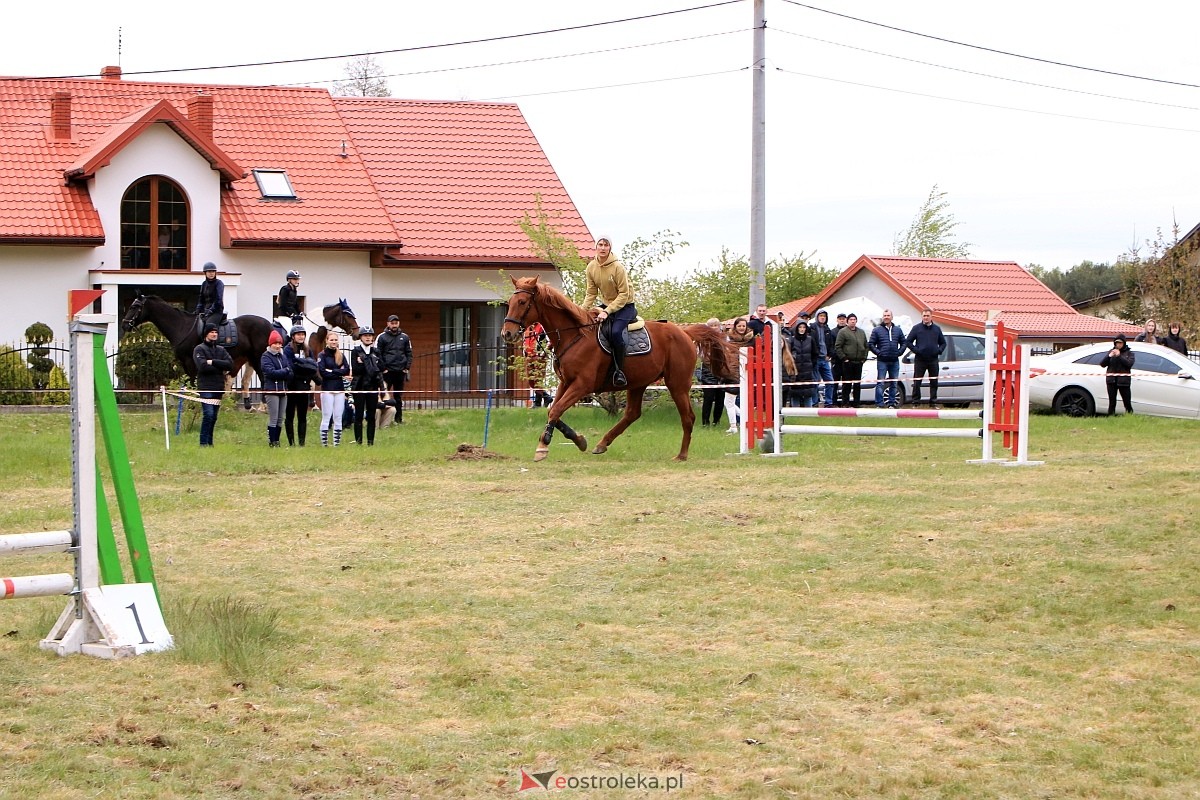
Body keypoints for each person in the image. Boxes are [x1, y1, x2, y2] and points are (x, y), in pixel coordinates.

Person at [582, 236, 637, 387]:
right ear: (596, 247)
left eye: (606, 245)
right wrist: (581, 311)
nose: (603, 248)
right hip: (607, 305)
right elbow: (591, 293)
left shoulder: (618, 267)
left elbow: (624, 294)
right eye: (600, 244)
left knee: (615, 332)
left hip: (625, 306)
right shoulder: (591, 267)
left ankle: (619, 371)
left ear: (610, 248)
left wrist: (607, 311)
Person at [193, 323, 232, 447]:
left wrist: (213, 362)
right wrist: (220, 367)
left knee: (214, 416)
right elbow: (202, 367)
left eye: (216, 332)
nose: (214, 334)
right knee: (208, 415)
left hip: (218, 387)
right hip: (206, 387)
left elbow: (230, 364)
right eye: (212, 332)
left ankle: (210, 442)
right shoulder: (199, 349)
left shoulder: (221, 349)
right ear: (206, 334)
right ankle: (203, 442)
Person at [904, 308, 947, 407]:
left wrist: (938, 351)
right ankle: (915, 402)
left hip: (933, 360)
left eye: (927, 316)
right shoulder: (916, 328)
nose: (926, 318)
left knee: (934, 382)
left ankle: (933, 402)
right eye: (924, 316)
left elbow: (943, 343)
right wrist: (917, 351)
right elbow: (908, 341)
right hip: (920, 360)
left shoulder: (937, 329)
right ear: (922, 317)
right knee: (917, 381)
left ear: (931, 317)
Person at [283, 325, 318, 446]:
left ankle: (302, 443)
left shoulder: (308, 349)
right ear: (293, 336)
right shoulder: (288, 349)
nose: (301, 336)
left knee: (302, 416)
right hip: (291, 386)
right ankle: (291, 442)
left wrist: (301, 363)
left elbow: (313, 366)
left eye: (303, 334)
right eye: (298, 334)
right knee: (290, 416)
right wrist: (305, 365)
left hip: (304, 386)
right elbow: (291, 366)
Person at [350, 327, 384, 446]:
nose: (368, 337)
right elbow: (356, 369)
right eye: (365, 335)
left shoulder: (376, 351)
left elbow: (381, 367)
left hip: (372, 387)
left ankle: (370, 442)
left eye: (370, 335)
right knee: (359, 416)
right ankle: (359, 442)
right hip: (359, 387)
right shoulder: (355, 351)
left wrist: (364, 361)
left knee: (371, 415)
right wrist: (370, 363)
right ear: (360, 337)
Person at [376, 314, 412, 422]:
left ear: (399, 323)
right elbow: (378, 354)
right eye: (392, 323)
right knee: (383, 394)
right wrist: (383, 369)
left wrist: (407, 367)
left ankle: (398, 419)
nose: (394, 325)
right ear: (388, 324)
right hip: (387, 372)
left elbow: (409, 353)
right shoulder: (381, 337)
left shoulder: (405, 337)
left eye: (396, 323)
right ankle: (382, 418)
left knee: (398, 397)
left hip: (400, 371)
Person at [259, 330, 292, 447]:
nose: (278, 346)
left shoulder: (283, 356)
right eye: (275, 343)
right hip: (272, 390)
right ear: (270, 344)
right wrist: (285, 371)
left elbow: (290, 372)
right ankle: (272, 441)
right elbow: (270, 373)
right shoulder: (265, 357)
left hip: (283, 390)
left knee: (280, 418)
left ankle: (277, 440)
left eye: (279, 343)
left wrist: (285, 372)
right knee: (273, 417)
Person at [317, 332, 350, 446]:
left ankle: (336, 444)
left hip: (339, 390)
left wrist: (333, 371)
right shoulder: (322, 355)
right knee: (326, 416)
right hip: (327, 389)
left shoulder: (340, 355)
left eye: (335, 340)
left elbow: (346, 369)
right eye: (331, 340)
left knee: (338, 417)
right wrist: (338, 372)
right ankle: (324, 444)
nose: (334, 342)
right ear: (327, 341)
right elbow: (323, 372)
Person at [868, 309, 906, 408]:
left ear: (892, 317)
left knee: (894, 383)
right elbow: (871, 344)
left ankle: (891, 403)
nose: (886, 317)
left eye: (888, 315)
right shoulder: (876, 330)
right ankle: (879, 404)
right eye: (884, 315)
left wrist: (899, 352)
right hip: (882, 361)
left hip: (894, 361)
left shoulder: (898, 330)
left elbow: (904, 342)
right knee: (880, 383)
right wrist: (879, 353)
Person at [834, 313, 869, 407]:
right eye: (851, 319)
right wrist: (844, 358)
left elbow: (866, 345)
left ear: (856, 321)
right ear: (847, 321)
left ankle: (856, 403)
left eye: (854, 319)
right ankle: (845, 403)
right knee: (847, 384)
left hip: (859, 362)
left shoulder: (861, 332)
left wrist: (864, 358)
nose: (853, 321)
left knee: (857, 384)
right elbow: (838, 346)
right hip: (848, 362)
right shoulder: (843, 332)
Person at [698, 318, 726, 426]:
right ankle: (705, 422)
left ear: (720, 326)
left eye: (716, 325)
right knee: (708, 398)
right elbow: (700, 354)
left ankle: (716, 421)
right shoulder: (703, 339)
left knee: (720, 398)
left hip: (722, 370)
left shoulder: (725, 338)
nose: (714, 327)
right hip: (708, 370)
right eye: (711, 325)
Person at [725, 317, 751, 432]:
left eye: (743, 326)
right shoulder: (729, 340)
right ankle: (744, 419)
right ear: (735, 327)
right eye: (739, 326)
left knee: (729, 402)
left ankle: (734, 426)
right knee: (729, 402)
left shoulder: (751, 340)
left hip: (745, 373)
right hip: (732, 372)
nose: (741, 328)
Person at [1100, 334, 1135, 416]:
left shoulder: (1129, 353)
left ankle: (1130, 417)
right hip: (1111, 380)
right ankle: (1110, 418)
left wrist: (1119, 356)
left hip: (1123, 381)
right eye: (1117, 343)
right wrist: (1109, 356)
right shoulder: (1111, 351)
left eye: (1120, 343)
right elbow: (1102, 364)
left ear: (1124, 343)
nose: (1118, 345)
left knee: (1127, 402)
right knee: (1112, 402)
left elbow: (1129, 364)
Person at [788, 319, 820, 407]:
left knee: (808, 393)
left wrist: (810, 364)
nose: (802, 329)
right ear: (797, 328)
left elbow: (815, 354)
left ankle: (808, 412)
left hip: (807, 371)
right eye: (800, 327)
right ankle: (795, 412)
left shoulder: (810, 339)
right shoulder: (792, 340)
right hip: (795, 371)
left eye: (804, 327)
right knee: (795, 393)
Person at [522, 321, 553, 408]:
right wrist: (524, 352)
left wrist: (543, 353)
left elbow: (550, 340)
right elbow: (524, 340)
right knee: (531, 380)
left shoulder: (542, 326)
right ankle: (546, 397)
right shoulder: (527, 328)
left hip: (539, 356)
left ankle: (537, 402)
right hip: (529, 356)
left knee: (538, 380)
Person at [811, 310, 836, 407]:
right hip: (816, 359)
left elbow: (831, 344)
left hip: (825, 360)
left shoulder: (827, 329)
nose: (822, 318)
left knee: (830, 381)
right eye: (820, 316)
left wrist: (830, 354)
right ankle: (815, 402)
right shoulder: (812, 328)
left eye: (824, 316)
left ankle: (828, 402)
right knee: (815, 382)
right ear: (817, 317)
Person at [195, 262, 224, 328]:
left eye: (213, 271)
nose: (211, 273)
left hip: (216, 311)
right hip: (206, 311)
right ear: (205, 273)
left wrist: (211, 310)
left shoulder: (219, 283)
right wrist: (197, 311)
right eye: (209, 272)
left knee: (208, 327)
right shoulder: (204, 284)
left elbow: (218, 300)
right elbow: (201, 300)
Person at [831, 312, 848, 406]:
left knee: (846, 383)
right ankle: (834, 402)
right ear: (837, 320)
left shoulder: (849, 331)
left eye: (843, 319)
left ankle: (845, 402)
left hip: (846, 362)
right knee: (834, 383)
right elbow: (831, 346)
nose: (842, 320)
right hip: (836, 362)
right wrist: (836, 355)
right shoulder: (833, 332)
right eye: (840, 319)